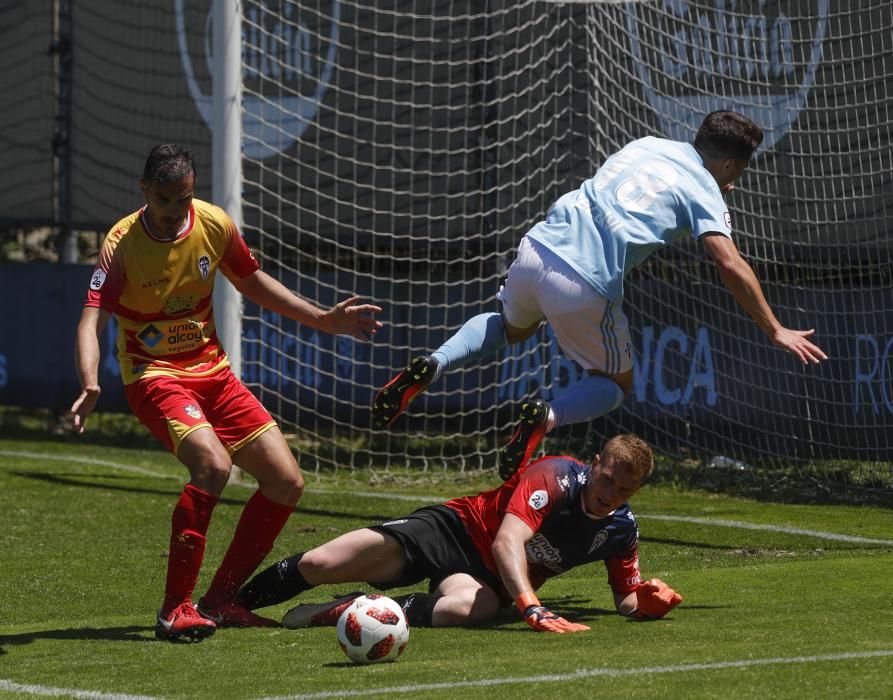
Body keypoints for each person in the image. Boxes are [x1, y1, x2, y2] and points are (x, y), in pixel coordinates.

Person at [371, 111, 828, 480]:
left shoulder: (649, 145)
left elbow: (647, 195)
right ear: (729, 165)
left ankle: (435, 362)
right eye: (738, 172)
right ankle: (545, 416)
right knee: (614, 385)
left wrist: (708, 190)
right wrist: (774, 328)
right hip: (583, 281)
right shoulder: (706, 190)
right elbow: (729, 263)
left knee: (511, 326)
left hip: (539, 246)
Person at [69, 144, 383, 643]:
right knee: (213, 466)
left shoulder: (212, 223)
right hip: (154, 376)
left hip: (214, 374)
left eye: (185, 199)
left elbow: (252, 282)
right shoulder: (121, 242)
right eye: (166, 200)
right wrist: (90, 380)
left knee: (286, 482)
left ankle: (221, 602)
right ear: (144, 191)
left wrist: (323, 319)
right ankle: (176, 609)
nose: (176, 212)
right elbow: (93, 316)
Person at [235, 434, 682, 632]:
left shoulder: (621, 531)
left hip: (485, 581)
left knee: (477, 608)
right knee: (319, 563)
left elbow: (625, 599)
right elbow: (508, 541)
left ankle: (347, 609)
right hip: (452, 529)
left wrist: (646, 601)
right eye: (607, 480)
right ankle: (227, 607)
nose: (611, 494)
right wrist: (533, 609)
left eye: (625, 490)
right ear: (595, 463)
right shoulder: (555, 477)